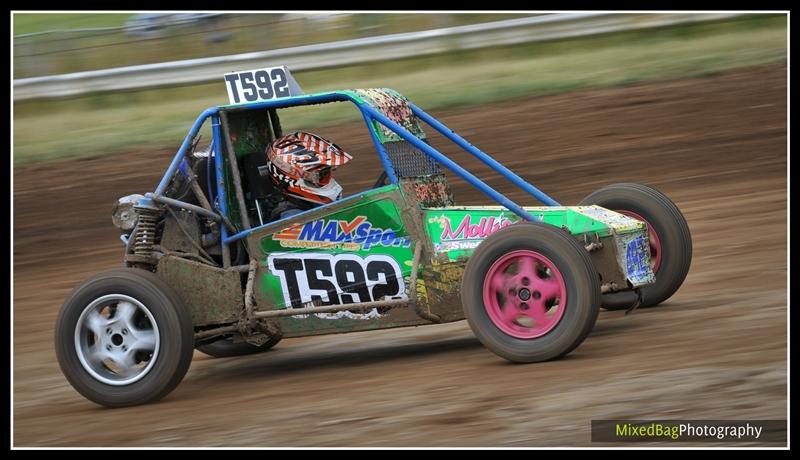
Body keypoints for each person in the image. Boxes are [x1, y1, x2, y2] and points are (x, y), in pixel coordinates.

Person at [263, 131, 353, 221]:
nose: (326, 180)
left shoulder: (314, 207)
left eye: (325, 173)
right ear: (290, 179)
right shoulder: (292, 218)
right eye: (318, 176)